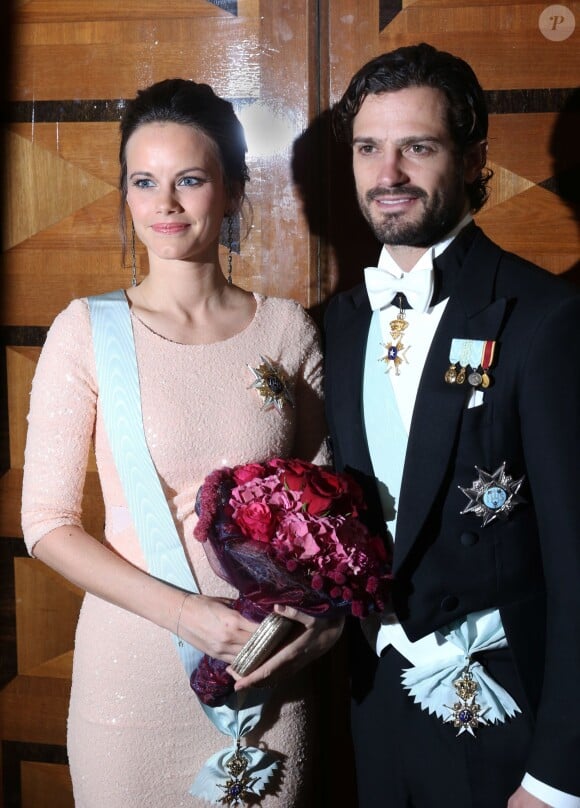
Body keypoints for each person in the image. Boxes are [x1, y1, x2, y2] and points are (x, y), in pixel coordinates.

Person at [21, 78, 343, 808]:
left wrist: (317, 629)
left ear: (231, 191)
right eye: (144, 181)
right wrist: (186, 615)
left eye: (189, 180)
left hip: (266, 671)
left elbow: (330, 519)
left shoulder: (287, 329)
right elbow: (46, 524)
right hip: (132, 674)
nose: (164, 204)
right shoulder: (86, 331)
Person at [324, 43, 580, 808]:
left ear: (472, 161)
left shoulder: (546, 320)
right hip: (374, 712)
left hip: (505, 726)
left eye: (418, 147)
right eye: (369, 147)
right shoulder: (335, 324)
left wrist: (560, 777)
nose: (388, 173)